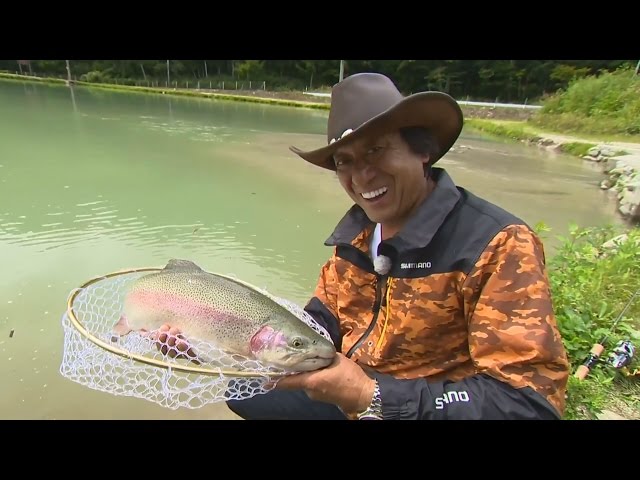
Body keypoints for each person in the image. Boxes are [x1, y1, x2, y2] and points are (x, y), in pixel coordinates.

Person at [182, 72, 564, 420]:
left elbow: (529, 403)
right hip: (352, 392)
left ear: (422, 150)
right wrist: (215, 337)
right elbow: (321, 325)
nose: (362, 175)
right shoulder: (356, 239)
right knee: (244, 392)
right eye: (345, 161)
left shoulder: (497, 244)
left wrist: (371, 394)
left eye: (376, 151)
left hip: (425, 408)